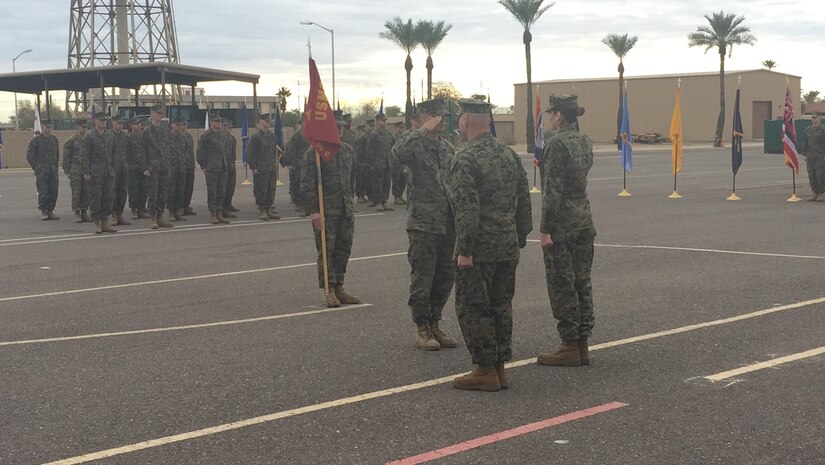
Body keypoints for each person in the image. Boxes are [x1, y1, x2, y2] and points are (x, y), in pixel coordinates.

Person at [449, 98, 532, 392]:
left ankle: (484, 369)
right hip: (507, 244)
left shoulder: (466, 158)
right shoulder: (508, 155)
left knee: (473, 306)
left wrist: (465, 250)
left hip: (480, 248)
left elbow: (467, 207)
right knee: (501, 305)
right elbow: (524, 198)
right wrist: (520, 236)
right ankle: (498, 367)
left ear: (465, 121)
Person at [535, 95, 597, 368]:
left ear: (558, 115)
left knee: (562, 282)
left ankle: (570, 343)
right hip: (584, 218)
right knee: (582, 281)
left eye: (552, 113)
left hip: (562, 223)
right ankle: (582, 342)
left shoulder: (556, 144)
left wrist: (545, 228)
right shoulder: (585, 141)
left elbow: (552, 190)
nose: (550, 117)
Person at [393, 98, 457, 351]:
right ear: (420, 120)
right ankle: (421, 326)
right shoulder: (415, 146)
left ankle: (434, 322)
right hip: (424, 223)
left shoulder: (447, 148)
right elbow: (397, 153)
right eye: (435, 117)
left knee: (445, 277)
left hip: (448, 222)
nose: (441, 122)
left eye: (442, 117)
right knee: (423, 277)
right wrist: (422, 130)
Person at [301, 114, 361, 308]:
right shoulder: (315, 154)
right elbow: (307, 184)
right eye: (336, 127)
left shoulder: (348, 151)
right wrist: (313, 211)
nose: (341, 130)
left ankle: (339, 286)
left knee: (344, 249)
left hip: (345, 209)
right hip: (326, 210)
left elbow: (351, 179)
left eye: (342, 127)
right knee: (327, 251)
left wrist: (350, 202)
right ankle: (329, 289)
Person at [81, 113, 117, 234]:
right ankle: (97, 223)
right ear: (95, 121)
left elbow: (114, 153)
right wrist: (86, 171)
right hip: (95, 173)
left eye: (104, 120)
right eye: (100, 120)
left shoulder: (110, 136)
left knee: (108, 198)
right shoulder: (89, 136)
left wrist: (113, 168)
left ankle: (105, 222)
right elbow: (84, 155)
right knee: (96, 198)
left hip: (108, 172)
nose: (103, 122)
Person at [142, 105, 174, 229]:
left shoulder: (165, 130)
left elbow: (168, 148)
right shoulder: (147, 131)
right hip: (152, 167)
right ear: (152, 114)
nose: (161, 115)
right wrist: (145, 167)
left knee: (163, 193)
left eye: (162, 113)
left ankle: (160, 216)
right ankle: (153, 218)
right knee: (153, 193)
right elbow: (142, 150)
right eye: (158, 113)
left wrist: (168, 163)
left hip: (164, 166)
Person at [197, 112, 230, 225]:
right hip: (212, 168)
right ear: (211, 122)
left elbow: (226, 151)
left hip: (222, 167)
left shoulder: (223, 135)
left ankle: (220, 212)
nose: (219, 123)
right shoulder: (206, 135)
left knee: (222, 191)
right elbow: (200, 151)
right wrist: (203, 166)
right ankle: (213, 214)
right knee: (212, 192)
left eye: (220, 121)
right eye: (216, 121)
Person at [247, 113, 281, 221]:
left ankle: (268, 208)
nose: (268, 122)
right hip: (261, 168)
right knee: (261, 189)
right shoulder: (256, 137)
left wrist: (275, 162)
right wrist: (253, 168)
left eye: (269, 121)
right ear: (260, 122)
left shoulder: (271, 135)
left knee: (271, 189)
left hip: (271, 167)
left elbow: (274, 150)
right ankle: (262, 210)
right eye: (266, 121)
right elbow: (251, 153)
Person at [25, 119, 61, 220]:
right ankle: (44, 211)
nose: (49, 129)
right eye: (47, 127)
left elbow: (56, 155)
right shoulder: (36, 140)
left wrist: (55, 166)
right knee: (43, 191)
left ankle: (51, 210)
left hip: (53, 170)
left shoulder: (54, 139)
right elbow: (29, 155)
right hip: (42, 171)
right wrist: (36, 167)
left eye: (50, 127)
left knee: (53, 191)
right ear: (42, 127)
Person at [62, 119, 91, 223]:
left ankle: (84, 212)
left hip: (86, 170)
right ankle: (77, 213)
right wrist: (67, 171)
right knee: (76, 192)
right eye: (83, 127)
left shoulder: (89, 139)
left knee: (86, 192)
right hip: (75, 171)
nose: (85, 129)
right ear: (78, 127)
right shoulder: (71, 140)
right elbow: (66, 157)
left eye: (86, 127)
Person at [365, 113, 394, 211]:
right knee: (378, 183)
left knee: (387, 182)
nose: (385, 122)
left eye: (385, 120)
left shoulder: (388, 133)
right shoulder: (374, 134)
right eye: (383, 120)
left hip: (387, 162)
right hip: (377, 163)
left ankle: (384, 201)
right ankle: (378, 202)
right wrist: (371, 164)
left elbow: (393, 147)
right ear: (377, 121)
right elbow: (369, 150)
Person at [110, 115, 132, 226]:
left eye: (121, 123)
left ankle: (120, 215)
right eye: (118, 123)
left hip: (123, 167)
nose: (120, 125)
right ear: (113, 123)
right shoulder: (108, 136)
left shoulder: (125, 136)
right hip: (113, 168)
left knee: (122, 192)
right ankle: (113, 215)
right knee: (113, 192)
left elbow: (128, 151)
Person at [126, 118, 150, 219]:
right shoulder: (128, 137)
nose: (139, 125)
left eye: (140, 124)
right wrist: (128, 165)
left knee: (143, 189)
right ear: (131, 126)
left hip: (142, 167)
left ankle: (141, 208)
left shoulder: (143, 137)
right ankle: (134, 209)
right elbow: (126, 153)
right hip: (132, 167)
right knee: (133, 189)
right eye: (136, 124)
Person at [283, 121, 309, 213]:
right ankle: (300, 204)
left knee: (307, 186)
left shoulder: (311, 134)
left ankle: (306, 204)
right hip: (298, 164)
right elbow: (290, 150)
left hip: (308, 164)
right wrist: (291, 164)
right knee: (298, 185)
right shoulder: (297, 136)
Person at [167, 117, 189, 221]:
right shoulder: (166, 137)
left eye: (180, 125)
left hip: (181, 168)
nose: (179, 127)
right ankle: (171, 212)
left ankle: (177, 212)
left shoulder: (183, 137)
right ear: (172, 125)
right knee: (171, 191)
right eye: (177, 125)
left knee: (180, 191)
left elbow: (185, 151)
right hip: (171, 168)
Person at [803, 112, 825, 202]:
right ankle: (814, 193)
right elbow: (805, 143)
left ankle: (820, 193)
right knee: (811, 175)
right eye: (812, 117)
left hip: (820, 156)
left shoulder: (823, 129)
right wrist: (805, 154)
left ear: (820, 118)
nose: (813, 119)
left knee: (820, 175)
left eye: (815, 117)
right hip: (810, 156)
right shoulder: (808, 130)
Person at [222, 120, 239, 217]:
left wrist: (232, 163)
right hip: (223, 165)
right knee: (224, 187)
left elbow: (233, 153)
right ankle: (223, 207)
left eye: (230, 127)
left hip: (231, 165)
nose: (228, 129)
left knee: (231, 186)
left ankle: (228, 204)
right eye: (226, 126)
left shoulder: (232, 138)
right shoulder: (221, 138)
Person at [181, 119, 197, 215]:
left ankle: (186, 206)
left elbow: (191, 151)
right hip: (180, 165)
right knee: (180, 188)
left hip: (189, 165)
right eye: (183, 124)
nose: (184, 126)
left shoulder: (189, 136)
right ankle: (179, 207)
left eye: (186, 124)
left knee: (189, 188)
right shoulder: (175, 136)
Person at [390, 121, 408, 205]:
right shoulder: (393, 137)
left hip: (403, 162)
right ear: (396, 128)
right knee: (396, 179)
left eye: (403, 128)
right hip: (395, 161)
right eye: (400, 128)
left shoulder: (403, 137)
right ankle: (396, 197)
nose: (402, 129)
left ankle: (400, 195)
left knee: (403, 179)